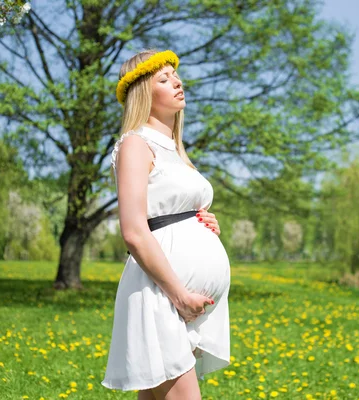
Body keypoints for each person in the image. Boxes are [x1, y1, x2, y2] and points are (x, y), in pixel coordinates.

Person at [101, 49, 231, 400]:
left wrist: (200, 222)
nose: (177, 82)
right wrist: (179, 294)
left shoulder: (174, 151)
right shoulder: (135, 144)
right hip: (161, 295)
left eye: (176, 75)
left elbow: (169, 208)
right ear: (144, 92)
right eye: (164, 78)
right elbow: (133, 230)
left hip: (176, 300)